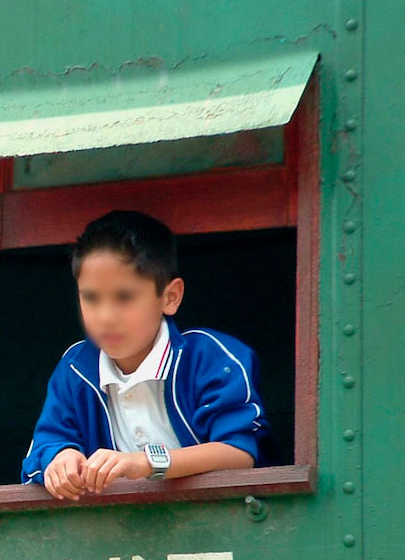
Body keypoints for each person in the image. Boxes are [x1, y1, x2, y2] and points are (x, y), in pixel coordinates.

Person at [20, 210, 273, 500]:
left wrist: (145, 462)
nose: (105, 317)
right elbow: (44, 446)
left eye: (124, 297)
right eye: (90, 297)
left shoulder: (210, 358)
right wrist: (60, 460)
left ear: (170, 297)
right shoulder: (75, 368)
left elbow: (239, 453)